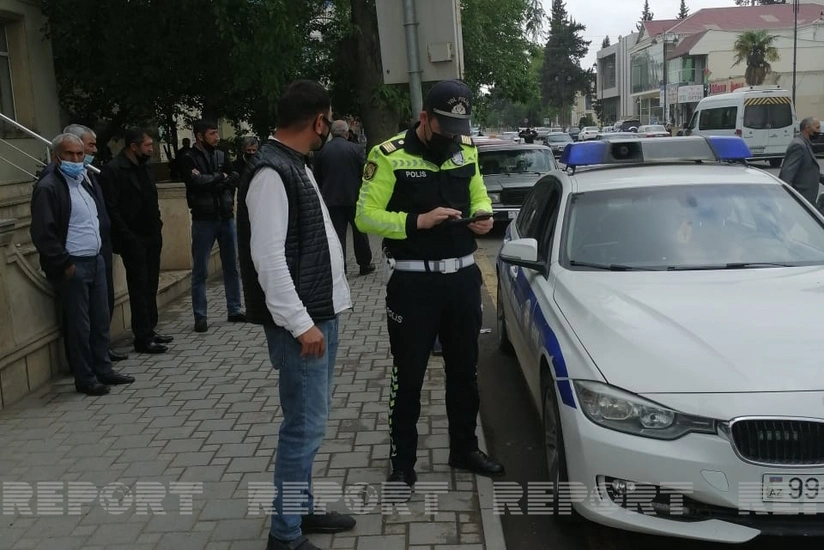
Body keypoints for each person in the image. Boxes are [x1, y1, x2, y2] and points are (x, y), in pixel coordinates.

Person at [355, 79, 505, 491]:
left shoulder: (466, 149)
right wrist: (415, 221)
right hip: (413, 283)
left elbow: (478, 193)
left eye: (459, 128)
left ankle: (464, 449)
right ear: (425, 118)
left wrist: (483, 214)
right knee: (410, 376)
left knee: (464, 372)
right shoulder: (388, 156)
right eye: (445, 128)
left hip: (461, 279)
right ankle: (402, 462)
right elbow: (365, 216)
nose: (453, 137)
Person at [236, 80, 356, 550]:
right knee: (302, 429)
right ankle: (284, 535)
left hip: (318, 314)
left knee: (310, 424)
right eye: (329, 118)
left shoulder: (293, 164)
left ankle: (301, 509)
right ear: (319, 121)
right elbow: (267, 257)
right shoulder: (271, 172)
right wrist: (301, 322)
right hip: (302, 323)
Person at [30, 133, 135, 395]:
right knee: (80, 325)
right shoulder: (49, 187)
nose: (77, 159)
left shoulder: (84, 180)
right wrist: (65, 264)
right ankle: (85, 377)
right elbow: (44, 232)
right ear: (56, 157)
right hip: (73, 264)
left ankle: (103, 369)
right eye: (70, 154)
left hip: (95, 259)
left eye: (79, 154)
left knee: (100, 320)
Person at [99, 127, 172, 354]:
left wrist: (158, 225)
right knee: (139, 287)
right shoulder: (113, 170)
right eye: (148, 145)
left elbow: (152, 199)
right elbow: (111, 207)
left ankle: (150, 328)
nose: (151, 149)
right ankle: (142, 337)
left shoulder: (145, 168)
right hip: (132, 238)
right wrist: (128, 237)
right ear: (134, 146)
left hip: (151, 235)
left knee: (151, 285)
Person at [179, 120, 246, 333]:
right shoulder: (188, 157)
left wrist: (214, 180)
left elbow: (235, 176)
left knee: (231, 266)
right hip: (203, 219)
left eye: (217, 133)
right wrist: (219, 178)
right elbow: (194, 183)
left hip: (225, 216)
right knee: (201, 269)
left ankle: (234, 308)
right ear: (200, 136)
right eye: (212, 133)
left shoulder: (220, 155)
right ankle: (201, 315)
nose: (217, 137)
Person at [313, 119, 376, 276]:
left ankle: (341, 267)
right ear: (347, 134)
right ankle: (365, 264)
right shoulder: (356, 149)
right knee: (360, 232)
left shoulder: (322, 152)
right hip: (354, 197)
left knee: (337, 235)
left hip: (331, 199)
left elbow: (317, 177)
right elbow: (367, 173)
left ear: (332, 133)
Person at [779, 117, 824, 206]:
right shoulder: (798, 146)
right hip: (800, 201)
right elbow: (786, 176)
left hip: (807, 201)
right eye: (817, 128)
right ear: (808, 128)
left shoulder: (805, 144)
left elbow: (810, 171)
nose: (819, 131)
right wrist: (790, 200)